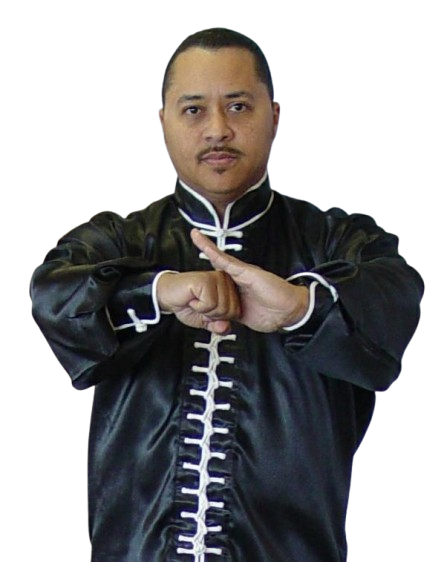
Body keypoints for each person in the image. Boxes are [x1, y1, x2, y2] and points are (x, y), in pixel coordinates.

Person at [29, 27, 424, 562]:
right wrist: (161, 291)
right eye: (194, 110)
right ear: (163, 122)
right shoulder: (121, 240)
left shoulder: (335, 240)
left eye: (238, 106)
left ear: (275, 116)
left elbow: (395, 296)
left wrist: (297, 307)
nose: (218, 130)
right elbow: (54, 293)